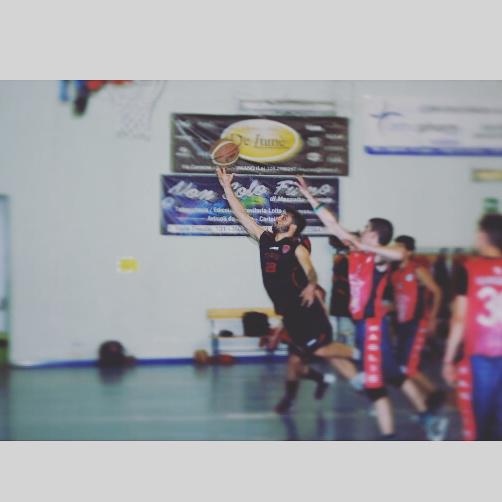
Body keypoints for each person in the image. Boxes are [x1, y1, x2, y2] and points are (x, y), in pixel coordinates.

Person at [295, 176, 448, 440]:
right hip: (366, 326)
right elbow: (333, 224)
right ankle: (429, 417)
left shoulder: (378, 256)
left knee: (376, 387)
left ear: (375, 235)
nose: (362, 230)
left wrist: (366, 245)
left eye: (366, 228)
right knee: (396, 376)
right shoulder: (358, 250)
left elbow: (400, 253)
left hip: (373, 328)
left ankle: (389, 436)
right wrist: (309, 195)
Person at [216, 168, 357, 415]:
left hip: (306, 310)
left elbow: (310, 270)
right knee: (294, 362)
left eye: (284, 217)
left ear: (293, 227)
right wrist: (226, 186)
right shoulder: (265, 239)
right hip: (289, 313)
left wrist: (311, 285)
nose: (279, 217)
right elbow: (241, 214)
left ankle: (365, 353)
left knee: (321, 349)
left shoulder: (296, 247)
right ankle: (295, 397)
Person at [442, 213, 502, 440]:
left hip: (481, 354)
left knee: (482, 423)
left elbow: (460, 318)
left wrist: (448, 359)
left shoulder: (468, 269)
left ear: (484, 236)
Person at [391, 235, 445, 411]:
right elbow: (399, 300)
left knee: (409, 368)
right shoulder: (395, 273)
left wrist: (433, 319)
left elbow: (437, 291)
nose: (395, 250)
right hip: (402, 325)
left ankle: (434, 395)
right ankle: (430, 396)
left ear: (409, 252)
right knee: (404, 366)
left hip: (417, 323)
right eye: (395, 247)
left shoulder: (417, 269)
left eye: (400, 247)